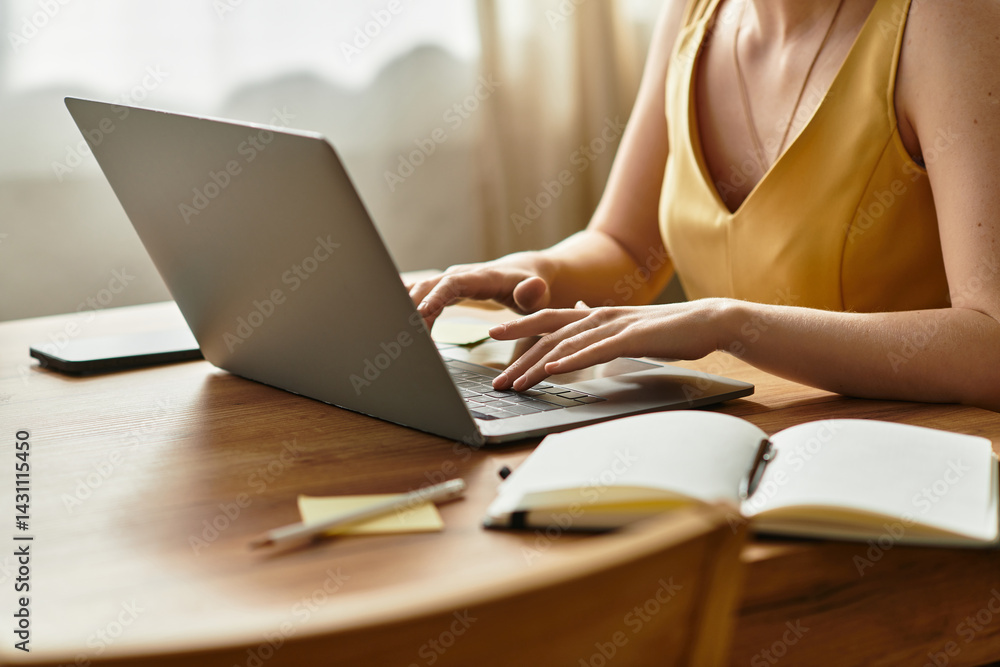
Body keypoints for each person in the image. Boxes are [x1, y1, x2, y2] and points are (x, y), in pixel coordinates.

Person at [407, 0, 1000, 411]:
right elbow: (625, 247)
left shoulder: (948, 19)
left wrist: (729, 324)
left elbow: (991, 342)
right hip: (737, 442)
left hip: (902, 461)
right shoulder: (694, 14)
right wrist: (537, 271)